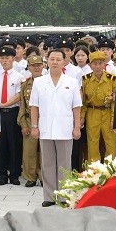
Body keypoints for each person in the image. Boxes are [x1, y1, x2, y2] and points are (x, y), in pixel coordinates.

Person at [29, 49, 82, 207]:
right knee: (48, 164)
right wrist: (34, 126)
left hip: (65, 129)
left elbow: (76, 107)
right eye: (52, 59)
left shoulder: (72, 82)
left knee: (65, 164)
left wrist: (77, 127)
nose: (55, 62)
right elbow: (34, 106)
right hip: (45, 128)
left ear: (64, 62)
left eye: (58, 59)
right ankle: (49, 196)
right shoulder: (39, 82)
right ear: (47, 61)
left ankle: (65, 195)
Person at [0, 46, 24, 185]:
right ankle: (2, 175)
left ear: (13, 59)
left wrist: (4, 104)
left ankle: (14, 174)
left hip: (12, 113)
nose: (4, 61)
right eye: (2, 58)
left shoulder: (19, 76)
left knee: (14, 144)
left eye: (7, 58)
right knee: (0, 144)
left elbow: (18, 95)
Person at [81, 51, 116, 162]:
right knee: (92, 142)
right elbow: (83, 101)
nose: (97, 66)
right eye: (94, 63)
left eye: (100, 63)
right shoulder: (85, 80)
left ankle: (111, 167)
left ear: (104, 64)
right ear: (90, 65)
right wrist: (82, 117)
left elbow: (115, 102)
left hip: (107, 112)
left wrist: (114, 118)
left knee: (110, 142)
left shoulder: (112, 79)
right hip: (92, 112)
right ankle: (94, 169)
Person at [17, 54, 42, 187]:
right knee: (29, 151)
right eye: (33, 66)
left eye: (38, 65)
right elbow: (22, 105)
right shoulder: (25, 84)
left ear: (43, 66)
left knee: (44, 151)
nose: (36, 68)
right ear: (29, 67)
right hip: (28, 120)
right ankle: (30, 177)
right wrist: (23, 124)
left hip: (44, 120)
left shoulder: (48, 82)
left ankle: (44, 176)